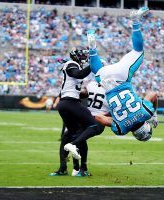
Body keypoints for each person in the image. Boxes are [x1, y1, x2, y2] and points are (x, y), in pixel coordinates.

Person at [84, 6, 158, 143]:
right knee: (98, 71)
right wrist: (113, 113)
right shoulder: (120, 129)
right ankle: (92, 48)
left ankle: (136, 22)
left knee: (138, 52)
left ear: (147, 127)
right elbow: (99, 117)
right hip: (106, 82)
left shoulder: (145, 112)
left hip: (122, 78)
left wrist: (154, 113)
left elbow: (152, 94)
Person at [51, 47, 104, 175]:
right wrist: (93, 65)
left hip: (66, 103)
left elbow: (77, 88)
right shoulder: (71, 64)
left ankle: (64, 168)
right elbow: (78, 74)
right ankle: (76, 151)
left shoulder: (73, 65)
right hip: (70, 103)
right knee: (93, 126)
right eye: (82, 55)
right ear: (76, 56)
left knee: (69, 135)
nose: (84, 57)